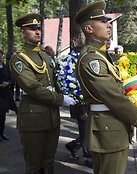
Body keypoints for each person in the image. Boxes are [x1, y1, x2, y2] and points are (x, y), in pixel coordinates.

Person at [74, 2, 137, 174]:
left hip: (114, 127)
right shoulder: (91, 60)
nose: (108, 24)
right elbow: (114, 96)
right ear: (89, 28)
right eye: (102, 21)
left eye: (108, 21)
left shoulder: (102, 56)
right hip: (107, 129)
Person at [9, 12, 76, 173]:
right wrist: (60, 99)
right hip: (33, 118)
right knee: (34, 165)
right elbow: (32, 87)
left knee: (49, 162)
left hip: (52, 117)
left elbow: (56, 82)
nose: (37, 32)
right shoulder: (19, 59)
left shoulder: (45, 56)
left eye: (38, 28)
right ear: (22, 32)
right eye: (32, 29)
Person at [0, 49, 17, 142]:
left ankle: (2, 132)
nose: (0, 57)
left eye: (1, 56)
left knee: (3, 115)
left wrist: (8, 83)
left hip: (5, 94)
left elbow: (12, 78)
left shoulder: (6, 67)